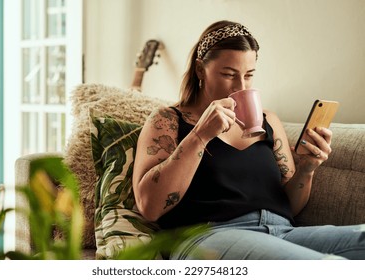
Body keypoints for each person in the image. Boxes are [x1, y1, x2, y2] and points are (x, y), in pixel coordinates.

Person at [132, 20, 365, 259]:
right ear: (200, 69)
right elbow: (149, 207)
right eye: (228, 74)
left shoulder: (269, 121)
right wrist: (200, 135)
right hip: (208, 237)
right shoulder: (168, 120)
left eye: (249, 75)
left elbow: (290, 207)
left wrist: (307, 169)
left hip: (281, 232)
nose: (240, 86)